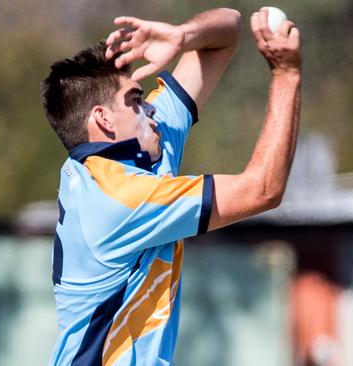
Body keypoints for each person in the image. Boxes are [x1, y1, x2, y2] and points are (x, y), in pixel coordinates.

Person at [40, 7, 301, 365]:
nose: (149, 109)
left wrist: (182, 36)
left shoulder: (138, 154)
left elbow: (228, 31)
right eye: (135, 100)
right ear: (103, 119)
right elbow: (262, 189)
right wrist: (286, 75)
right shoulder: (119, 197)